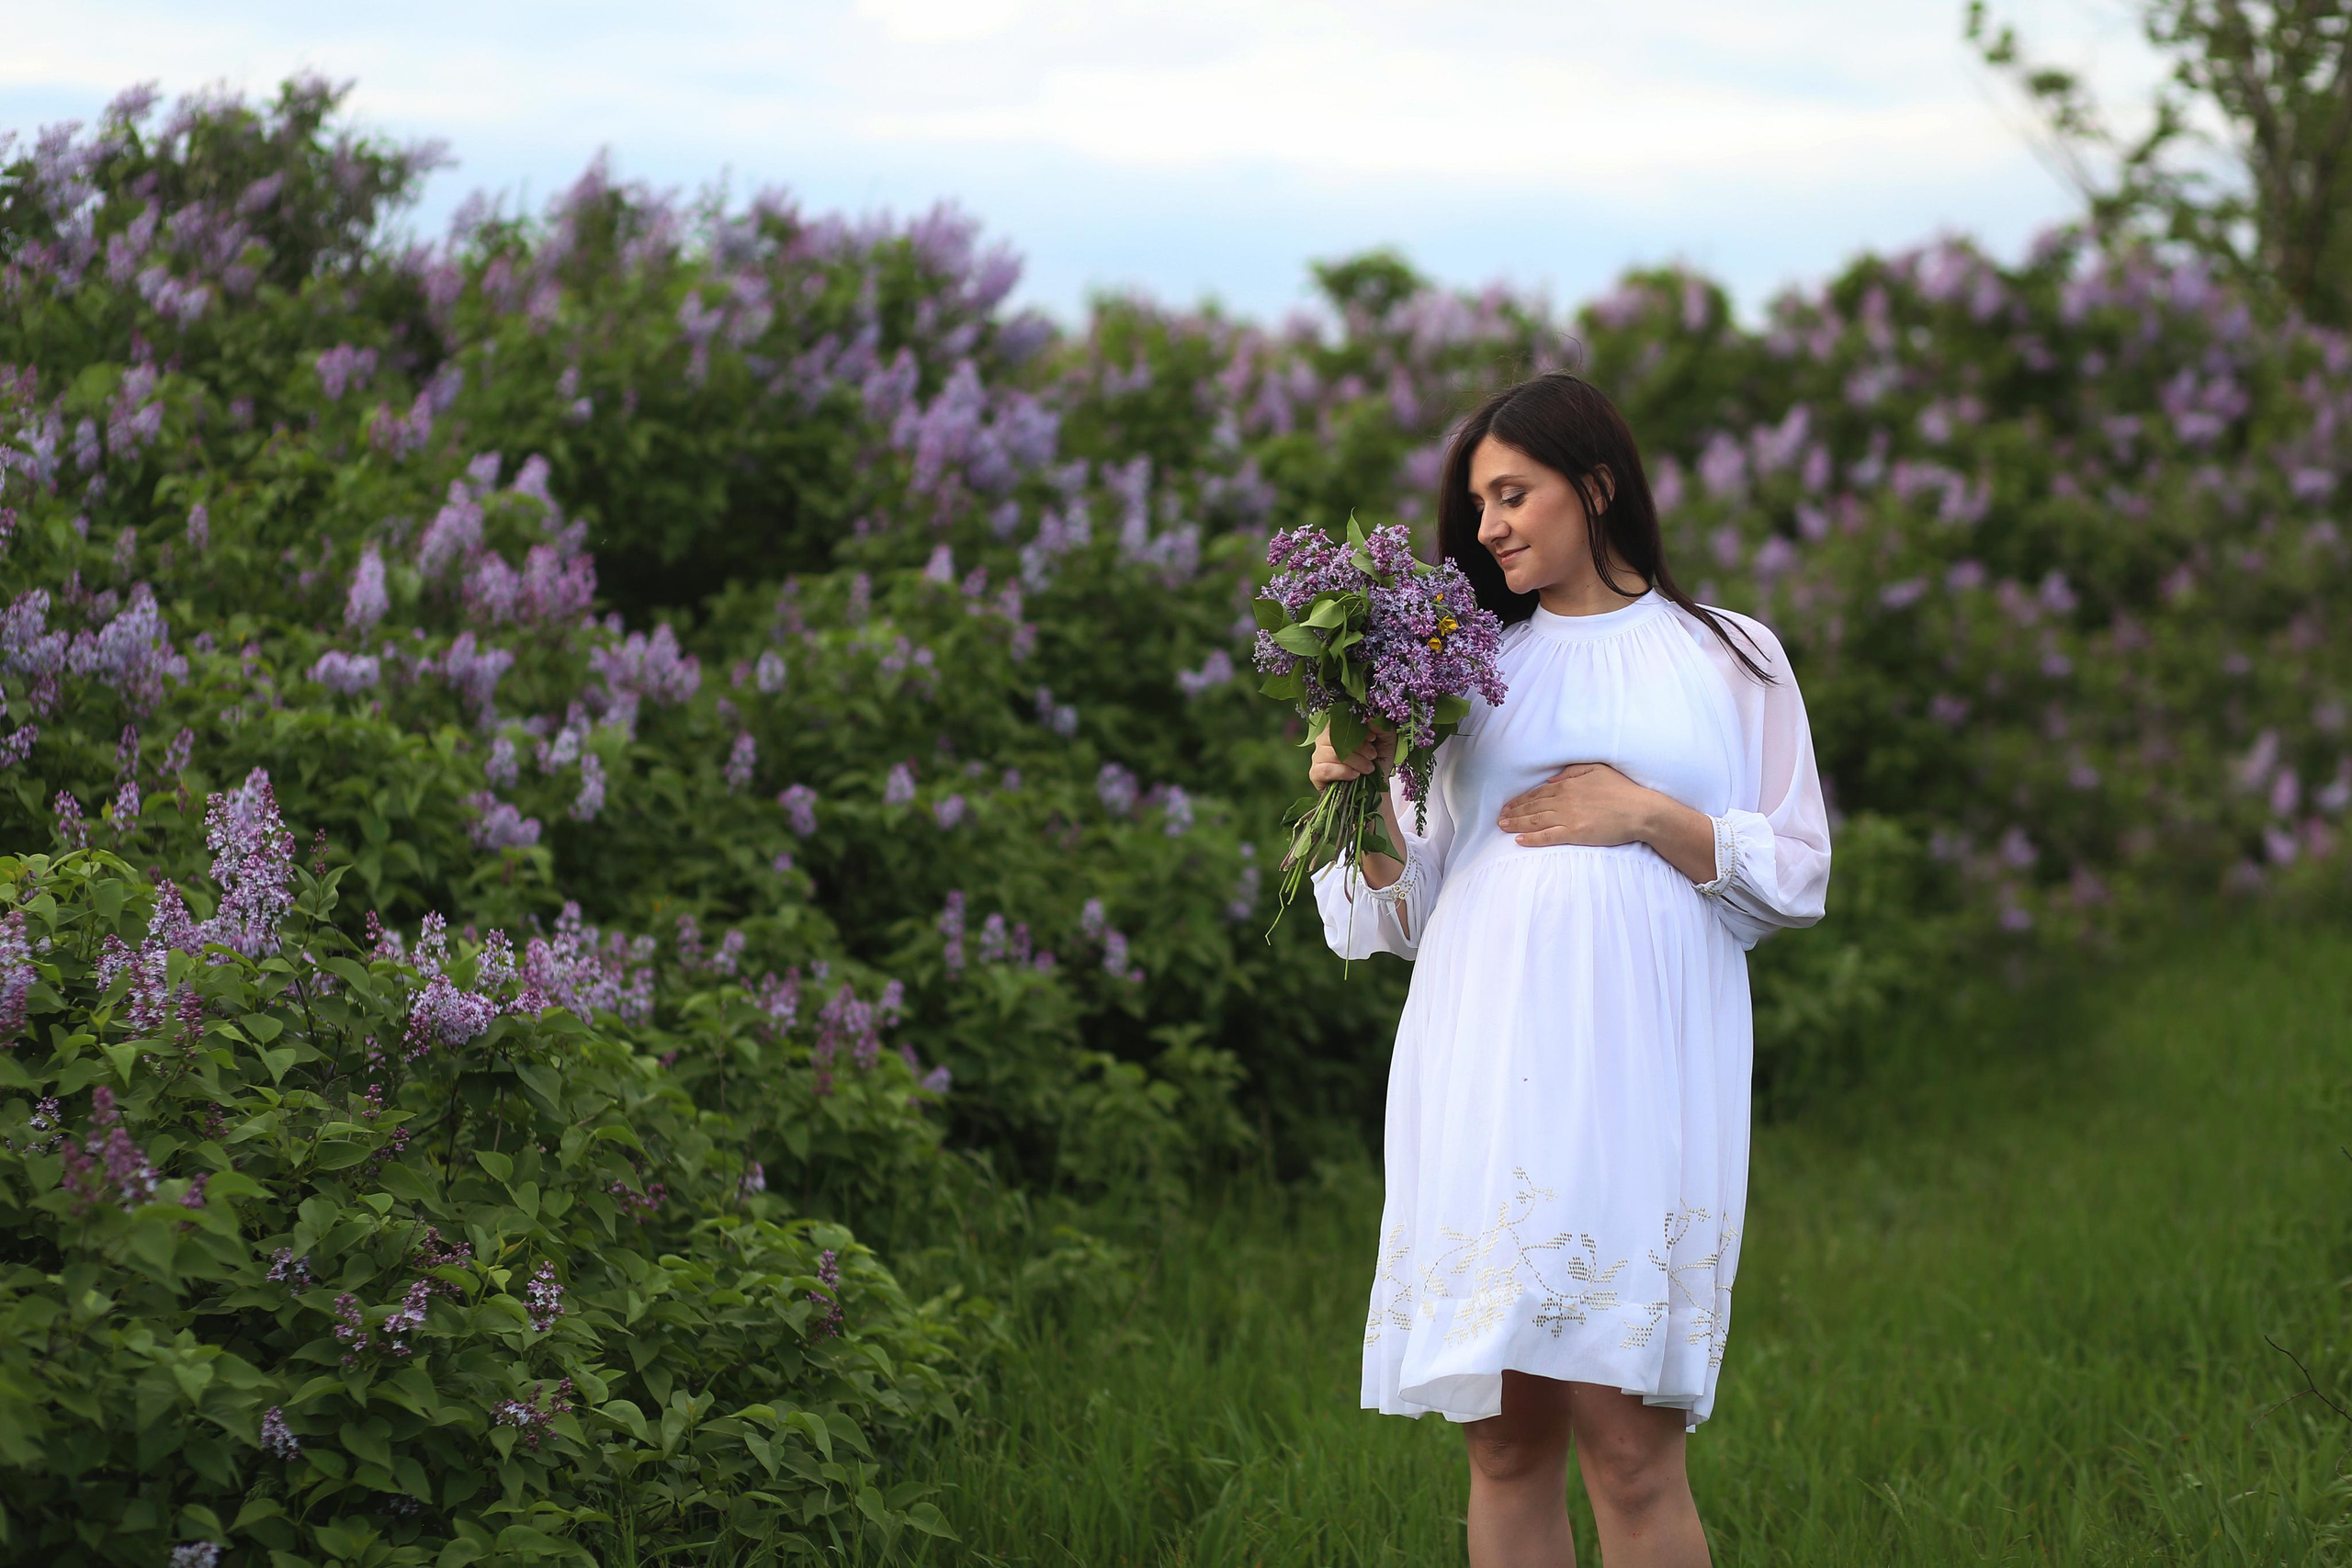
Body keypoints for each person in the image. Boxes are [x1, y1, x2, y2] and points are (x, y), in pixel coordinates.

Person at [1309, 372, 1832, 1568]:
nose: (1488, 525)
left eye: (1513, 494)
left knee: (1632, 1450)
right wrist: (1360, 793)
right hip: (1486, 1058)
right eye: (1477, 503)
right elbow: (1400, 910)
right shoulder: (1465, 673)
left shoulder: (1728, 654)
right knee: (1504, 1446)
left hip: (1641, 1070)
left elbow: (1797, 874)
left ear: (1595, 487)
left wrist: (1643, 813)